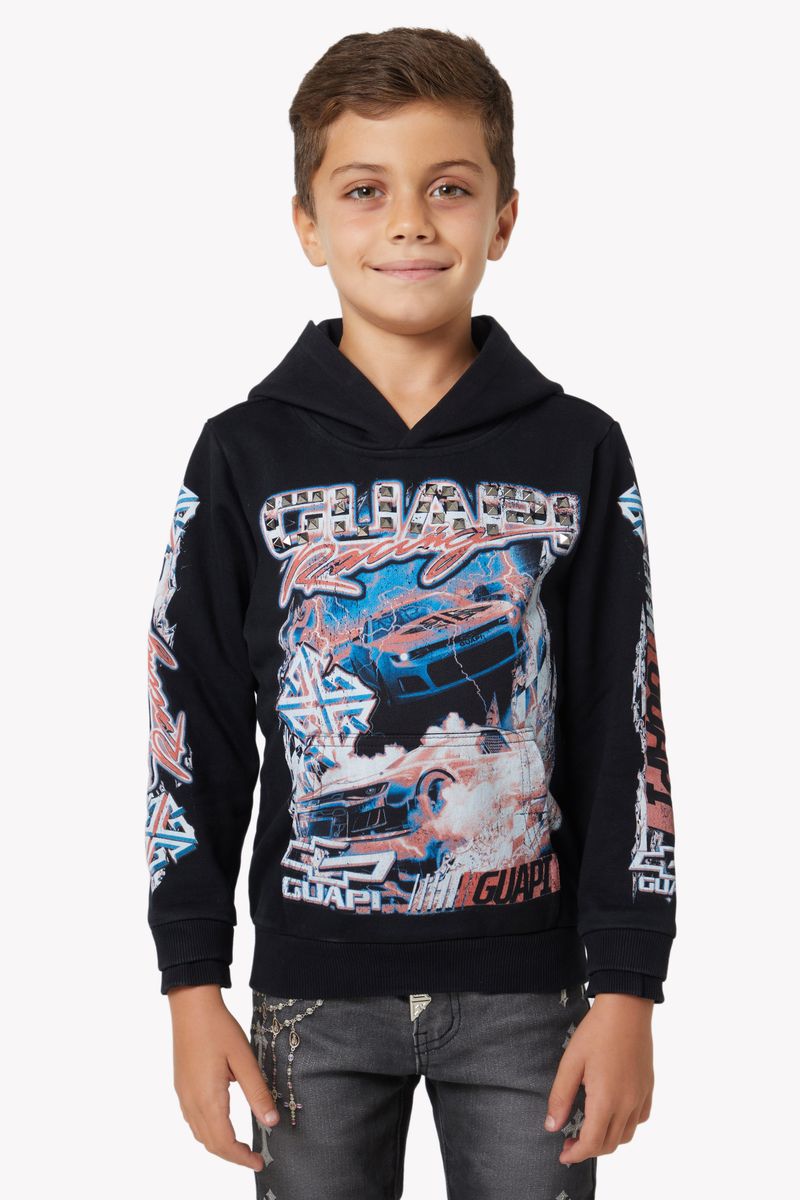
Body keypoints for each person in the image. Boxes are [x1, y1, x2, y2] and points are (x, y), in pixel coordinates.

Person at [145, 25, 677, 1200]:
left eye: (447, 188)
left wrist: (628, 983)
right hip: (311, 992)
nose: (408, 223)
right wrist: (191, 981)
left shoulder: (577, 447)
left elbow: (620, 723)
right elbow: (191, 721)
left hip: (529, 993)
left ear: (503, 217)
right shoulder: (241, 455)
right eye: (363, 190)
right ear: (305, 224)